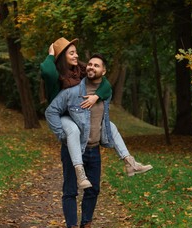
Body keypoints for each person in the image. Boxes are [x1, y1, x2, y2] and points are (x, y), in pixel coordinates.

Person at [41, 37, 152, 189]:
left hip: (78, 113)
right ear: (61, 57)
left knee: (109, 126)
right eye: (71, 53)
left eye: (76, 52)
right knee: (72, 130)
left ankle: (129, 162)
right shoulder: (55, 74)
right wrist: (51, 54)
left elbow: (104, 82)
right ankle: (80, 173)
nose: (76, 56)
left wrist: (96, 96)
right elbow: (46, 70)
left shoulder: (79, 70)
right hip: (64, 115)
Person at [45, 54, 122, 228]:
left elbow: (106, 94)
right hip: (74, 150)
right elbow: (51, 111)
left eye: (96, 65)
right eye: (90, 64)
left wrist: (98, 95)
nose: (91, 67)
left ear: (103, 71)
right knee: (70, 191)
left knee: (93, 189)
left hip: (94, 149)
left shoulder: (105, 92)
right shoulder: (72, 91)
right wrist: (62, 134)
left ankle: (86, 227)